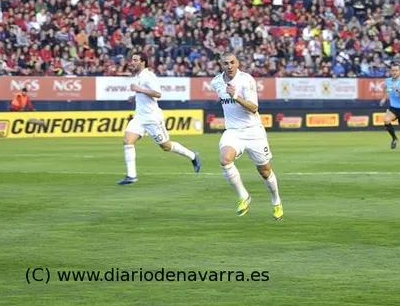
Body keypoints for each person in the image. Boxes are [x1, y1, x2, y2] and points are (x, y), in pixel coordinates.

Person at [210, 52, 283, 220]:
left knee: (264, 171)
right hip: (233, 131)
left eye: (232, 62)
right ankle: (243, 196)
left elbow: (253, 108)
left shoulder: (246, 80)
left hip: (253, 131)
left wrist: (236, 96)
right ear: (221, 64)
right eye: (226, 63)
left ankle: (276, 201)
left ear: (238, 63)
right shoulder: (216, 82)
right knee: (225, 159)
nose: (229, 66)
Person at [118, 52, 201, 185]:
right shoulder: (138, 76)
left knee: (166, 146)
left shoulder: (148, 76)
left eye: (135, 60)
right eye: (132, 60)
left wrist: (139, 90)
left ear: (143, 62)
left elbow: (158, 94)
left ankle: (192, 155)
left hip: (152, 118)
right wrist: (134, 97)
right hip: (139, 117)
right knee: (128, 141)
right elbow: (144, 94)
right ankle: (131, 176)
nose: (132, 62)